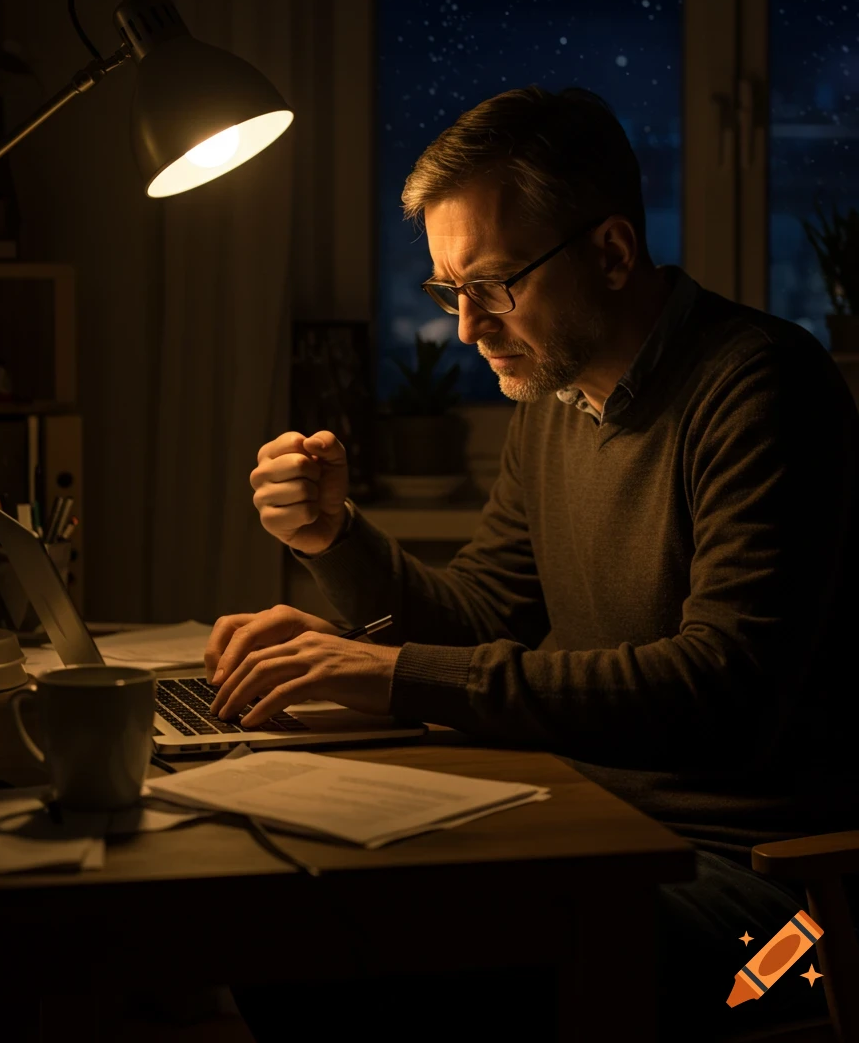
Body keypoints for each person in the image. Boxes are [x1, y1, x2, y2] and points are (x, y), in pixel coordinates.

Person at [207, 87, 859, 1040]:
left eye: (495, 285)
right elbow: (480, 618)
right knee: (294, 923)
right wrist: (335, 539)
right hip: (601, 834)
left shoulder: (762, 388)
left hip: (780, 906)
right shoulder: (556, 405)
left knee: (346, 965)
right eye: (448, 291)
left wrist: (393, 676)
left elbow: (724, 695)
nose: (467, 328)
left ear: (611, 252)